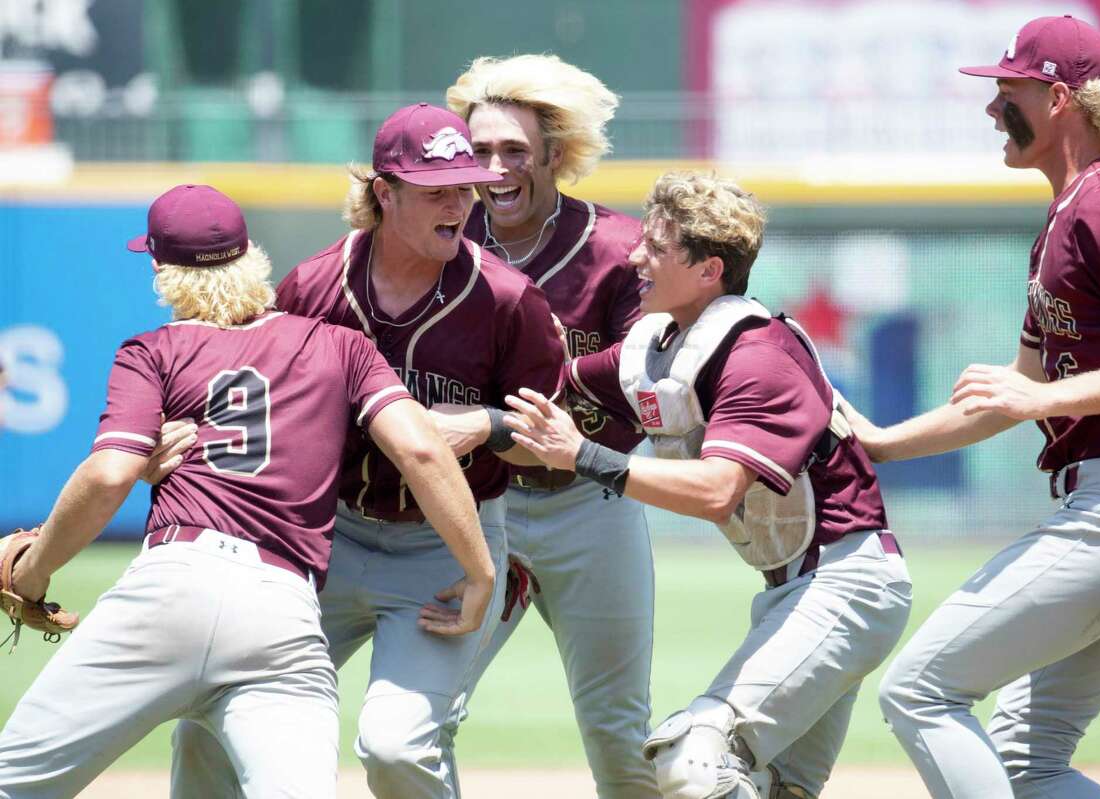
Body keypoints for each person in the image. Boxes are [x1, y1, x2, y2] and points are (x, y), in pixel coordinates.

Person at [0, 184, 495, 799]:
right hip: (280, 614)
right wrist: (480, 571)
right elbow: (422, 447)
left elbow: (108, 473)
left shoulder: (152, 351)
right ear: (250, 257)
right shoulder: (338, 344)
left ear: (159, 268)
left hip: (171, 585)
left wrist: (36, 568)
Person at [844, 16, 1100, 799]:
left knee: (918, 690)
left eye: (1007, 91)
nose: (991, 108)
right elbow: (1015, 389)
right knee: (1025, 759)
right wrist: (880, 443)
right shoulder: (1065, 221)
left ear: (1060, 98)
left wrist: (1045, 396)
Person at [170, 105, 564, 798]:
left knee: (396, 747)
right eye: (437, 189)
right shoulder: (313, 288)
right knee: (206, 720)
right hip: (330, 539)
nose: (459, 203)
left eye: (465, 186)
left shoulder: (509, 301)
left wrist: (487, 424)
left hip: (445, 545)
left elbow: (553, 446)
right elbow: (266, 408)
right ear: (385, 193)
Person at [503, 171, 912, 799]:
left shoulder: (758, 356)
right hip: (794, 590)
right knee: (776, 789)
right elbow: (552, 383)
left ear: (708, 270)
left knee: (693, 761)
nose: (635, 256)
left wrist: (581, 455)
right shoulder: (657, 346)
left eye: (657, 248)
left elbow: (718, 490)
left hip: (847, 586)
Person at [439, 54, 657, 798]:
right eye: (479, 151)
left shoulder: (621, 250)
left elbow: (653, 377)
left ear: (556, 157)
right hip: (475, 507)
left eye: (514, 152)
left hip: (589, 504)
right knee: (419, 721)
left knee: (619, 732)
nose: (493, 168)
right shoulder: (443, 238)